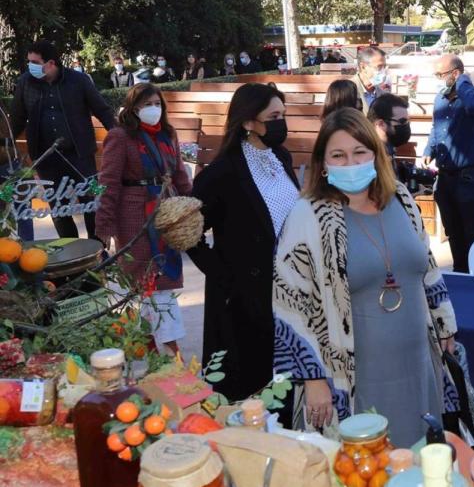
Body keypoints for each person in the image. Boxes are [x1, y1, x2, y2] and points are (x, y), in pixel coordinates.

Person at [272, 108, 457, 446]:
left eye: (360, 152)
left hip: (418, 364)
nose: (350, 162)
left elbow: (426, 267)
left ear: (376, 155)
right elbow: (289, 304)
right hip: (354, 374)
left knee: (419, 465)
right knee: (365, 475)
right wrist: (312, 379)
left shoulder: (401, 199)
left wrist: (445, 326)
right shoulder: (308, 215)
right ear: (323, 163)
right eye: (338, 155)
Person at [187, 83, 301, 404]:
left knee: (286, 383)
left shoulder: (281, 156)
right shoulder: (223, 171)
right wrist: (221, 273)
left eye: (284, 114)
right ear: (249, 122)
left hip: (288, 286)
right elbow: (186, 227)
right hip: (244, 300)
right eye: (274, 116)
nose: (281, 122)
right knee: (251, 390)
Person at [95, 83, 193, 355]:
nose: (154, 109)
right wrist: (104, 225)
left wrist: (194, 205)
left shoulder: (167, 134)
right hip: (135, 218)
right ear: (133, 109)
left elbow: (179, 173)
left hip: (166, 212)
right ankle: (173, 355)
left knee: (161, 283)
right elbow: (109, 182)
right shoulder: (120, 137)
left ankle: (151, 349)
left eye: (157, 103)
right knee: (150, 285)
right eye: (147, 105)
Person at [10, 40, 116, 239]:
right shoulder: (26, 82)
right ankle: (71, 251)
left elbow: (101, 109)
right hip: (46, 157)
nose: (30, 66)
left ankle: (97, 251)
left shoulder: (79, 80)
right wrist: (6, 142)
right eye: (29, 61)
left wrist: (118, 134)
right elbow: (16, 118)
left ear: (51, 63)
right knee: (58, 209)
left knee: (91, 202)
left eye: (35, 62)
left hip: (81, 155)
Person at [424, 54, 474, 274]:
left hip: (470, 176)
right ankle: (461, 274)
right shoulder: (440, 99)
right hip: (446, 175)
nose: (437, 78)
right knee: (454, 231)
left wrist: (463, 82)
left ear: (455, 74)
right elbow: (437, 127)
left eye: (440, 74)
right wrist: (429, 149)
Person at [367, 92, 414, 179]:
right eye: (403, 121)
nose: (406, 125)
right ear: (381, 124)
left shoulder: (387, 148)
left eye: (408, 121)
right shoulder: (369, 157)